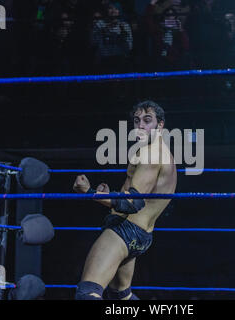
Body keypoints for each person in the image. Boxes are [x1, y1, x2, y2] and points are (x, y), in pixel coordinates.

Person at [73, 100, 177, 300]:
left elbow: (132, 203)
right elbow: (142, 195)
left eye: (147, 120)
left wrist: (89, 191)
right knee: (121, 295)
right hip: (142, 236)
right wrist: (106, 195)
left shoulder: (150, 155)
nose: (141, 126)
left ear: (160, 125)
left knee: (87, 293)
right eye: (137, 121)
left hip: (124, 229)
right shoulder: (166, 155)